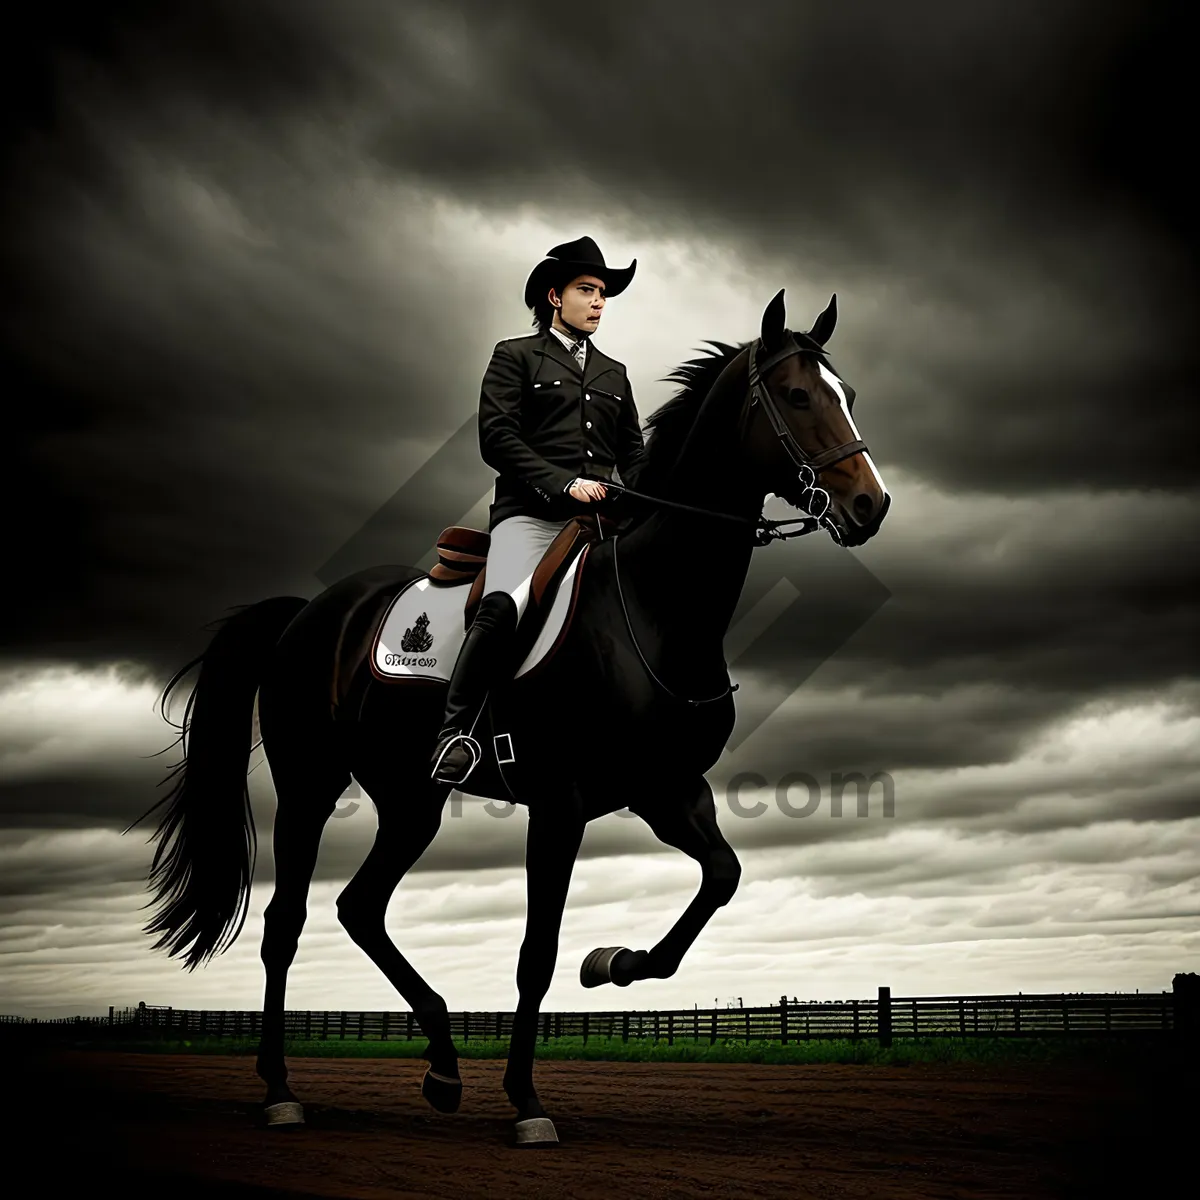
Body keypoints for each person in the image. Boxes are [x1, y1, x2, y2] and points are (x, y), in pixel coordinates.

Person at [429, 236, 647, 785]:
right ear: (555, 296)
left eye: (603, 294)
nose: (599, 302)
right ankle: (454, 733)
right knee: (504, 604)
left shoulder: (614, 372)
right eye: (588, 290)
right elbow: (496, 437)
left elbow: (633, 455)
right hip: (531, 517)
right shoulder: (516, 355)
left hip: (599, 525)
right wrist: (562, 484)